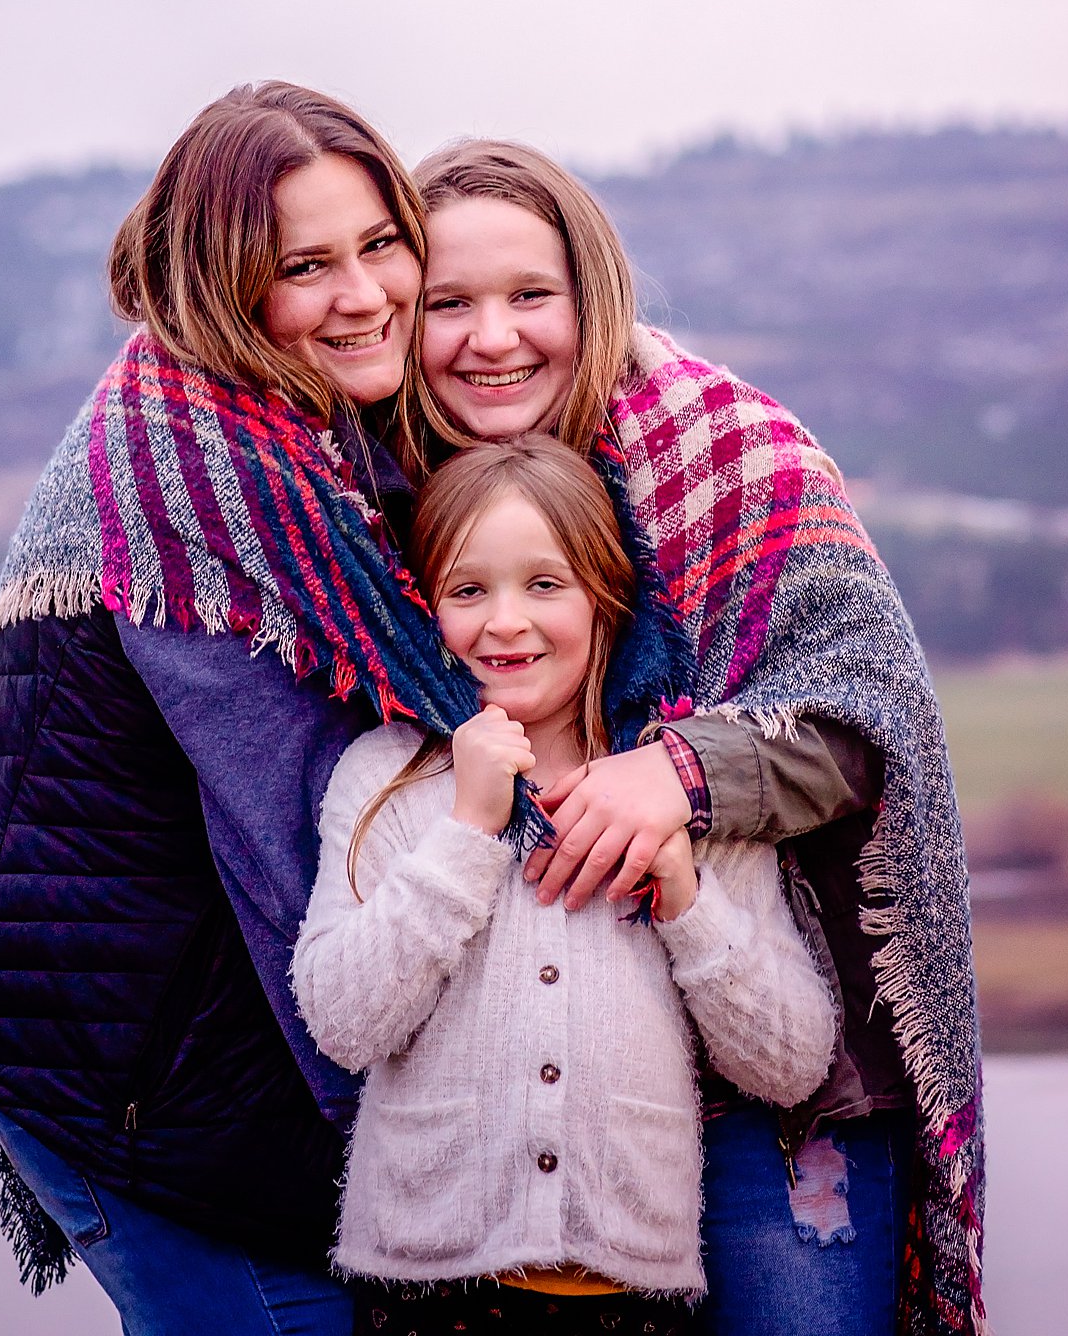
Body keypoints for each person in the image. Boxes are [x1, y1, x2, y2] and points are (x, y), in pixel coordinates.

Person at [0, 82, 488, 1336]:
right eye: (303, 266)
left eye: (380, 244)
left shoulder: (269, 424)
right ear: (224, 285)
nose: (363, 293)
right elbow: (297, 863)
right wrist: (412, 1164)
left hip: (147, 1006)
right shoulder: (202, 492)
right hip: (129, 1060)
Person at [411, 140, 986, 1336]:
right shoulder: (389, 494)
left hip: (774, 1094)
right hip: (535, 1099)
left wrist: (677, 770)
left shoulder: (729, 453)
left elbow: (867, 715)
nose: (491, 336)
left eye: (530, 294)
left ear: (593, 293)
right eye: (445, 302)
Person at [293, 436, 835, 1335]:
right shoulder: (384, 777)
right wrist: (466, 829)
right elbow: (344, 1023)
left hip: (633, 1299)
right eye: (469, 590)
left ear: (606, 597)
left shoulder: (681, 786)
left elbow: (789, 1063)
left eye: (545, 584)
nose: (505, 621)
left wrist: (684, 895)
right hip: (428, 1292)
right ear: (423, 610)